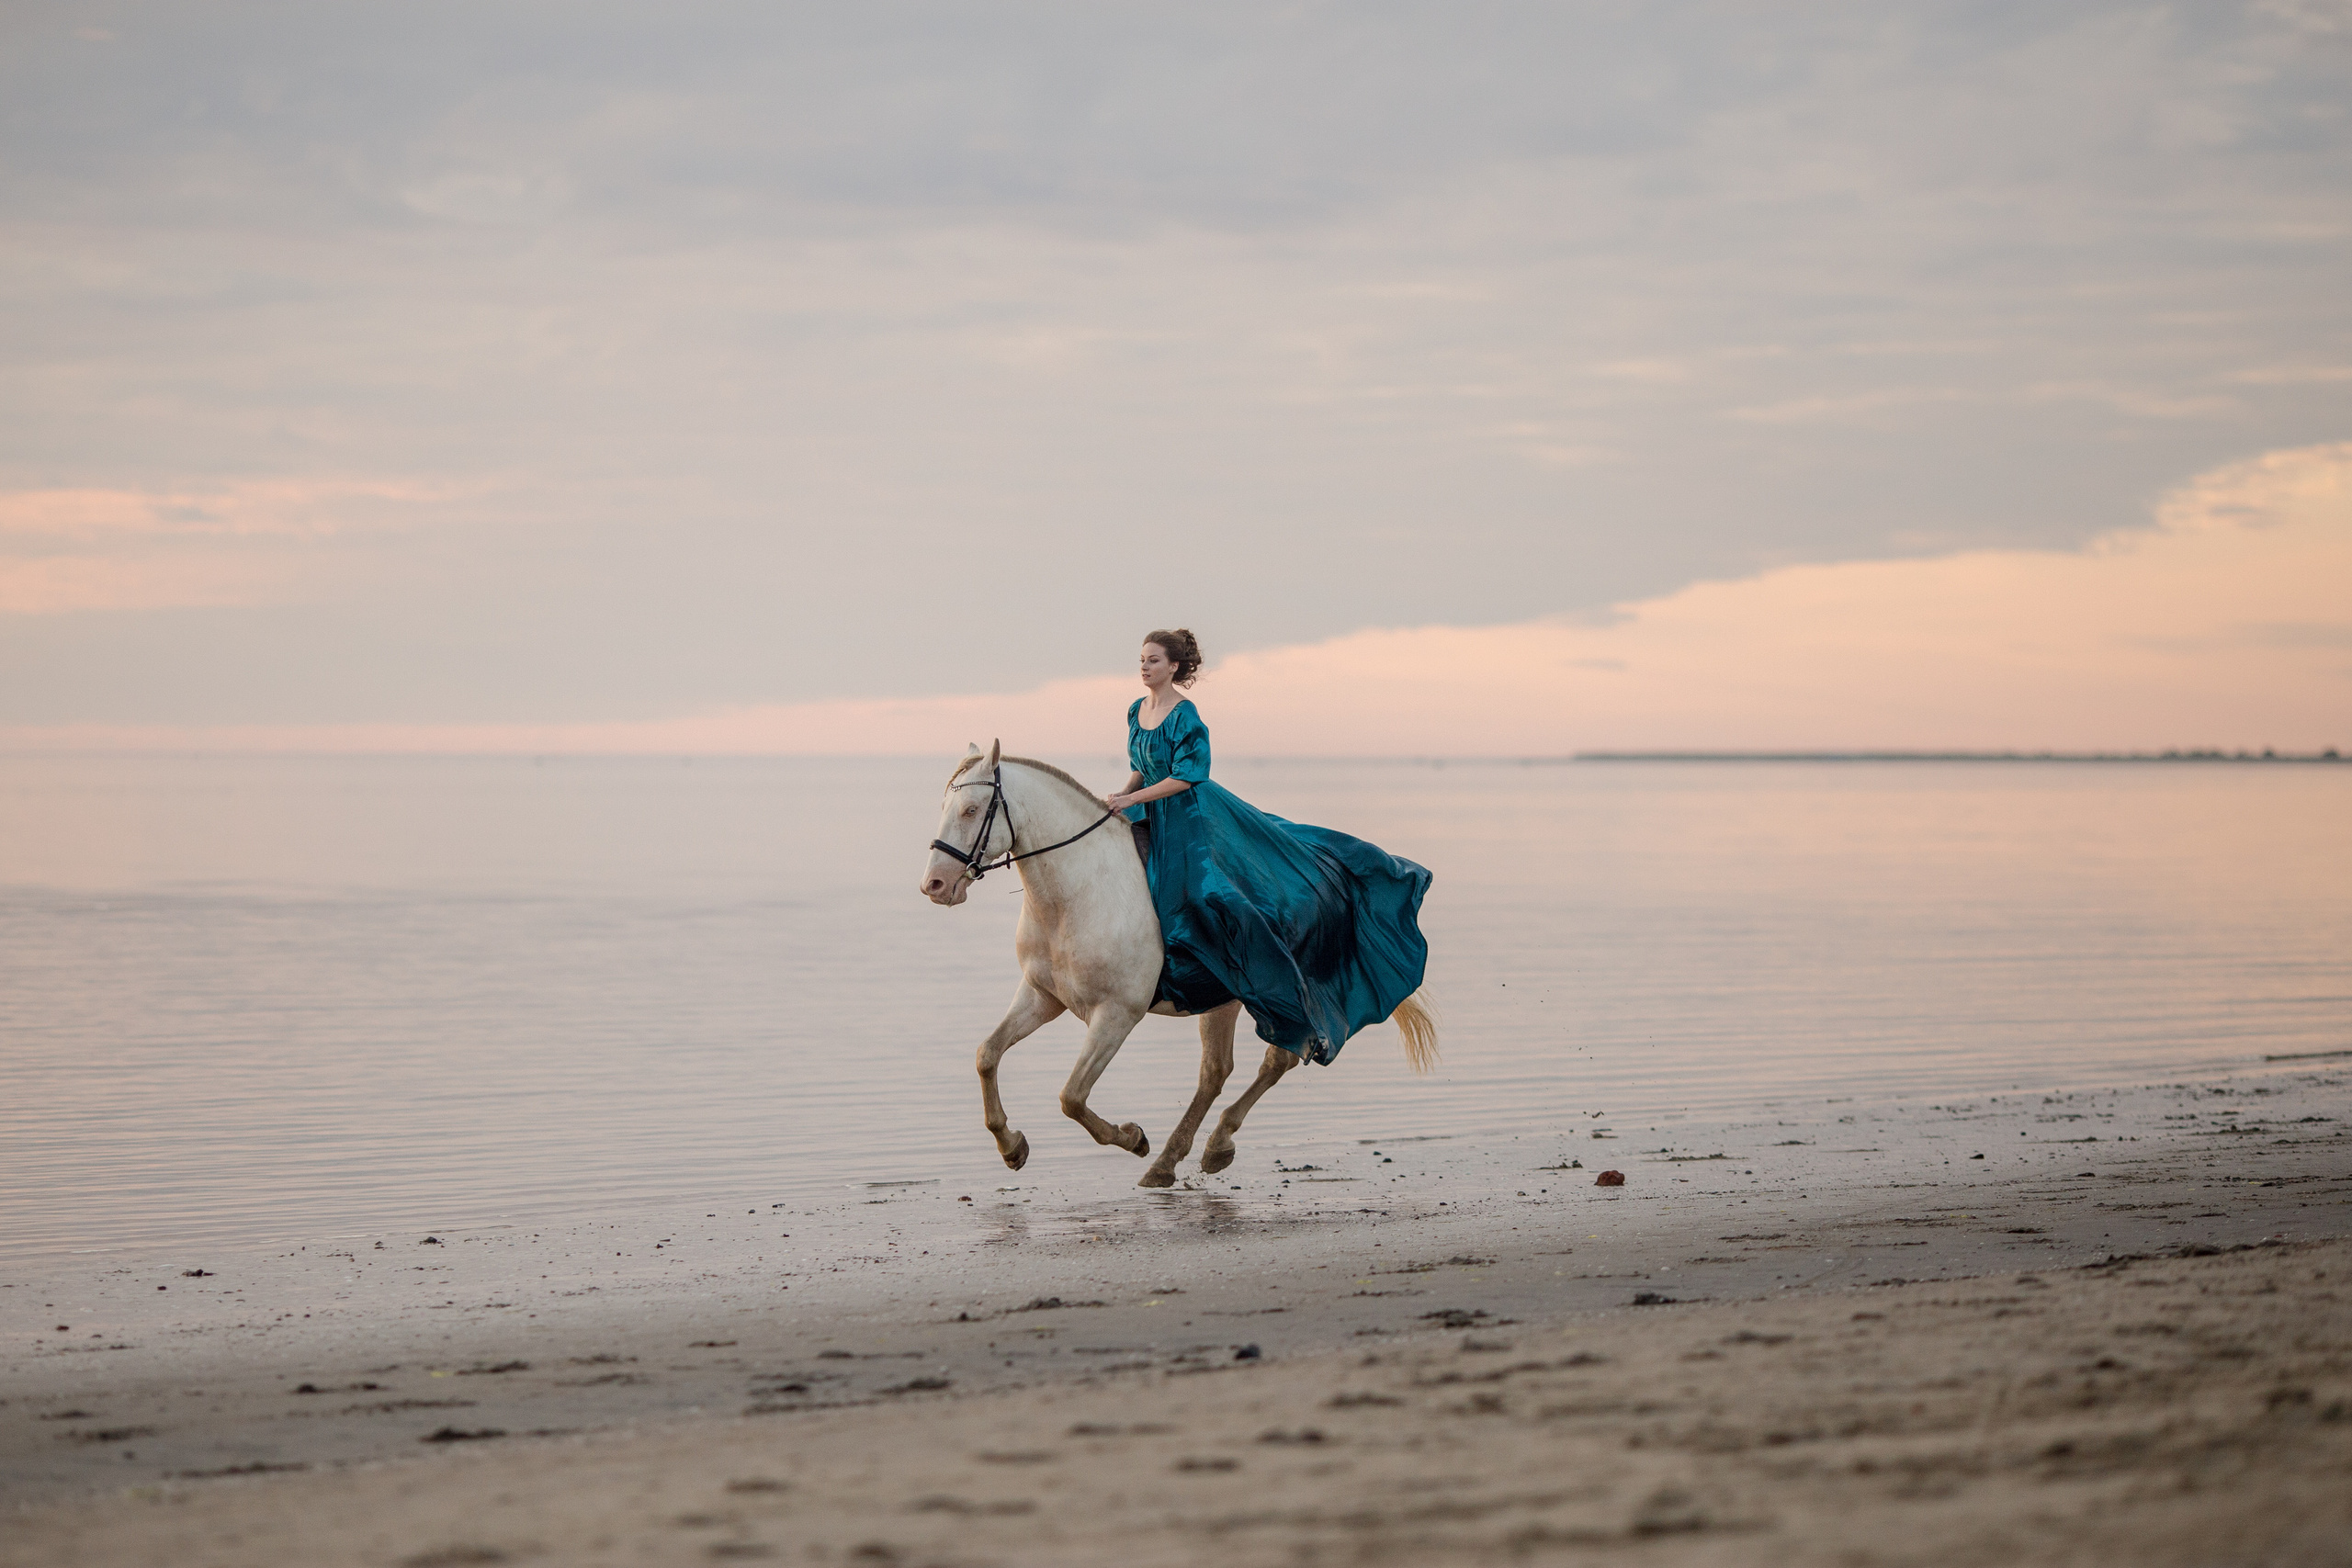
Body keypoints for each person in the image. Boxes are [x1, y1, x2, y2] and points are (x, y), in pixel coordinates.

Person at [1103, 629, 1431, 1065]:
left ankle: (1269, 989)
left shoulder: (1185, 715)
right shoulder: (1136, 710)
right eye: (1142, 660)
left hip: (1191, 819)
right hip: (1150, 811)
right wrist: (1120, 796)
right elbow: (1140, 767)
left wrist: (1133, 800)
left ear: (1174, 667)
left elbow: (1188, 776)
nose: (1145, 667)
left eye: (1154, 660)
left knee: (1207, 896)